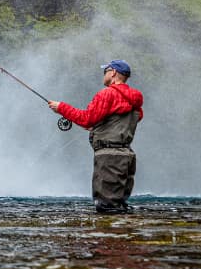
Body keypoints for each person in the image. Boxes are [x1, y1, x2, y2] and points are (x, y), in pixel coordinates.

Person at [48, 60, 144, 214]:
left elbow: (87, 118)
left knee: (106, 209)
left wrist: (61, 108)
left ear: (113, 72)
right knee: (118, 207)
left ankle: (109, 238)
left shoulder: (107, 94)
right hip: (126, 157)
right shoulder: (135, 100)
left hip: (109, 159)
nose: (103, 74)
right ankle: (123, 236)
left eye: (105, 70)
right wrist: (99, 128)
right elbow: (132, 119)